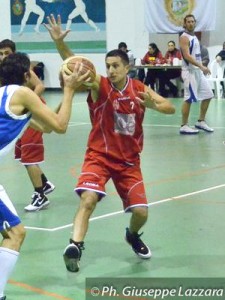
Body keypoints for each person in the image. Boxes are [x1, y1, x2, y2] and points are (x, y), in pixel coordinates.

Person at [44, 14, 175, 273]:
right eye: (108, 66)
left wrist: (154, 105)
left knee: (141, 212)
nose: (111, 70)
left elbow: (170, 107)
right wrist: (60, 44)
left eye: (116, 66)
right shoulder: (100, 86)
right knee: (88, 199)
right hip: (99, 157)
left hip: (129, 163)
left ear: (127, 67)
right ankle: (75, 246)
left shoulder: (138, 88)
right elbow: (76, 66)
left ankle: (132, 235)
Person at [0, 52, 89, 299]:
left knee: (13, 233)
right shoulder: (22, 93)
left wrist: (63, 96)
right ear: (26, 75)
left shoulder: (11, 98)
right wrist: (69, 90)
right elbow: (61, 127)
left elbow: (48, 126)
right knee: (15, 233)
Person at [0, 39, 55, 212]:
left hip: (30, 113)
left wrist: (27, 100)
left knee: (29, 156)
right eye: (0, 54)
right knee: (22, 154)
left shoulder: (24, 71)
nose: (3, 57)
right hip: (14, 116)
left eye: (6, 53)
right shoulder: (4, 73)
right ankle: (44, 183)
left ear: (14, 53)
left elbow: (39, 86)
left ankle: (40, 194)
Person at [179, 14, 214, 134]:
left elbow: (196, 55)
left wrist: (201, 65)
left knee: (208, 94)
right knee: (188, 99)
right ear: (184, 24)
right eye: (188, 21)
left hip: (198, 71)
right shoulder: (184, 37)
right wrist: (201, 66)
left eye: (192, 21)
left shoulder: (194, 37)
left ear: (195, 23)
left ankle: (201, 121)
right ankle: (184, 125)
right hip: (189, 72)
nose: (190, 23)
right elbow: (187, 56)